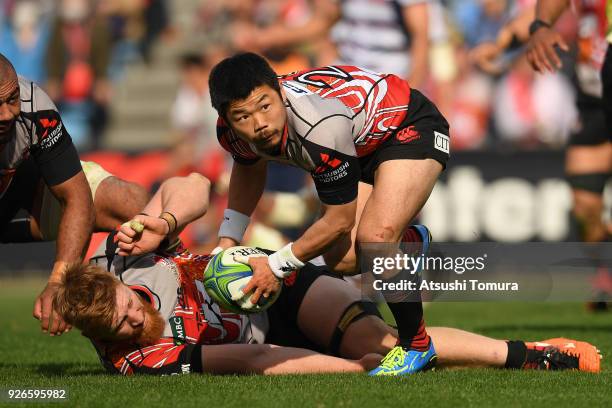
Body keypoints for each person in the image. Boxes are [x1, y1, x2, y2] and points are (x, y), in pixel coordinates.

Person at [57, 175, 601, 376]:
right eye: (124, 326)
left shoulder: (125, 260)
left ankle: (536, 352)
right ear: (101, 338)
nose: (137, 317)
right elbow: (254, 359)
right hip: (258, 338)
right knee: (366, 359)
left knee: (393, 344)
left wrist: (163, 220)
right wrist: (350, 372)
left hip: (277, 290)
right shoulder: (138, 360)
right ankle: (393, 265)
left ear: (119, 284)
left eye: (131, 304)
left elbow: (193, 183)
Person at [205, 52, 449, 375]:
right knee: (343, 261)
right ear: (226, 119)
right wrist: (226, 241)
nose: (259, 124)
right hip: (358, 143)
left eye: (265, 106)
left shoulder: (316, 126)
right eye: (243, 117)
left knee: (376, 241)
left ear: (279, 90)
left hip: (408, 125)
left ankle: (417, 346)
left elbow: (339, 221)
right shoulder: (232, 133)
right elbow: (249, 167)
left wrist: (275, 265)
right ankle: (407, 244)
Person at [473, 0, 612, 307]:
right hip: (593, 105)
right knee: (584, 206)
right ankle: (605, 271)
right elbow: (542, 12)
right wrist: (500, 43)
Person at [0, 52, 94, 337]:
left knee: (124, 200)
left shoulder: (34, 105)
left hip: (20, 202)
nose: (6, 114)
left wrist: (58, 280)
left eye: (11, 99)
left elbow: (77, 196)